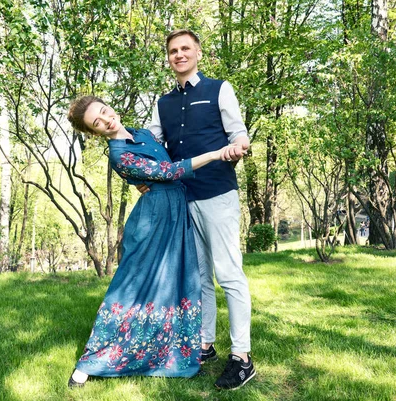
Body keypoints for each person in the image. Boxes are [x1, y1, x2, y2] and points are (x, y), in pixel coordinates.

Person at [66, 95, 236, 387]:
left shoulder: (142, 134)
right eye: (98, 123)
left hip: (176, 210)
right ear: (95, 132)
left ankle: (174, 350)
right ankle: (91, 362)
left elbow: (167, 158)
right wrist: (215, 154)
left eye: (105, 112)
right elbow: (168, 171)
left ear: (111, 108)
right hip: (153, 218)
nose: (107, 120)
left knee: (176, 281)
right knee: (130, 286)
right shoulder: (118, 154)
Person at [145, 29, 256, 390]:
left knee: (229, 275)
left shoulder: (219, 89)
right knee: (200, 277)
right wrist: (142, 173)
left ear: (198, 53)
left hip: (218, 193)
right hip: (182, 198)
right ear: (168, 57)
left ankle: (242, 357)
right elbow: (152, 145)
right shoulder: (162, 103)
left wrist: (240, 145)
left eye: (185, 49)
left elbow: (238, 132)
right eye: (173, 51)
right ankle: (205, 344)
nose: (179, 55)